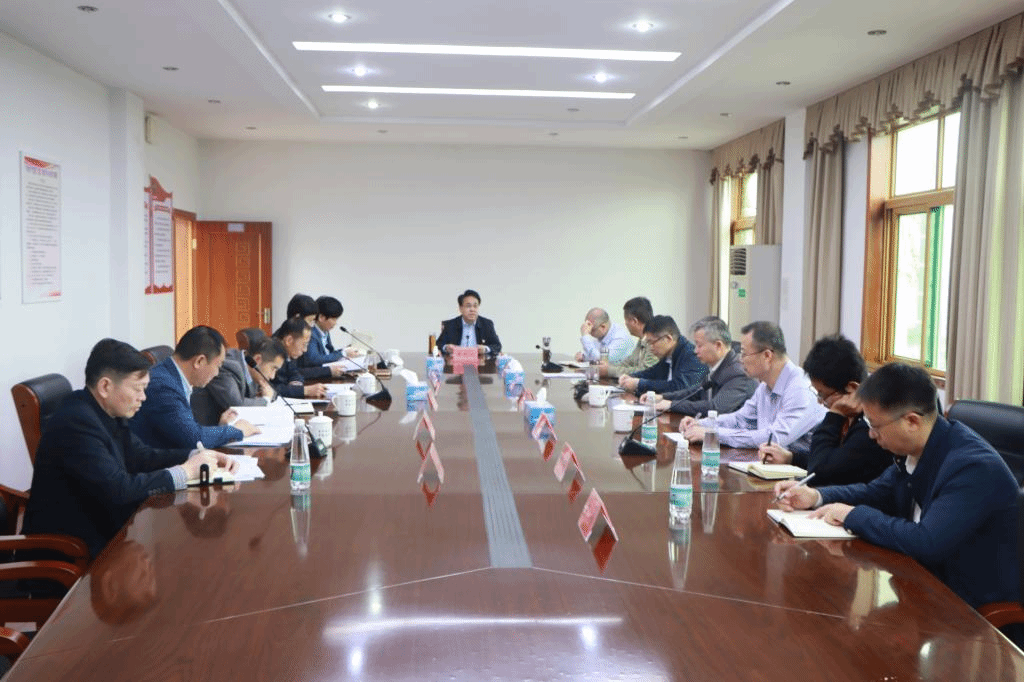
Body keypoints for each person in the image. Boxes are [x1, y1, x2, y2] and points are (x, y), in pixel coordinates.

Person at [775, 362, 1019, 610]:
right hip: (920, 585)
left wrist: (852, 515)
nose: (871, 435)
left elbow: (927, 542)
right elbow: (876, 492)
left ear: (911, 421)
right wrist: (816, 496)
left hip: (968, 607)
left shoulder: (971, 467)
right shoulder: (917, 448)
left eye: (875, 426)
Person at [22, 338, 238, 557]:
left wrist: (195, 455)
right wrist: (184, 472)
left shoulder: (105, 409)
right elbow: (119, 490)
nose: (143, 397)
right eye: (138, 389)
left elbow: (141, 456)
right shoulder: (76, 423)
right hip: (71, 551)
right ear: (105, 386)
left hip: (107, 531)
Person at [758, 334, 893, 485]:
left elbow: (820, 472)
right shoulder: (850, 417)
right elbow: (834, 460)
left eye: (823, 395)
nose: (820, 402)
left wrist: (834, 415)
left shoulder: (869, 428)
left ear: (852, 389)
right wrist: (791, 458)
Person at [680, 321, 825, 454]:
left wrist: (713, 434)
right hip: (769, 465)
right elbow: (740, 419)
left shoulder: (800, 389)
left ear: (767, 355)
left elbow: (773, 438)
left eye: (744, 353)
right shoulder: (765, 387)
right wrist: (701, 423)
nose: (740, 359)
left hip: (801, 470)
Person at [130, 326, 259, 449]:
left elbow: (189, 430)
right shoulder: (163, 386)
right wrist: (236, 430)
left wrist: (221, 428)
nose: (217, 373)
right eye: (218, 366)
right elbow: (194, 439)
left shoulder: (171, 375)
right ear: (199, 361)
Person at [645, 316, 756, 416]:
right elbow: (695, 392)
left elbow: (715, 408)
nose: (695, 351)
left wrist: (671, 404)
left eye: (699, 345)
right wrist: (663, 397)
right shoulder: (718, 367)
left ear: (718, 345)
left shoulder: (739, 373)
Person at [190, 336, 286, 426]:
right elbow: (236, 405)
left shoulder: (252, 371)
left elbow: (266, 393)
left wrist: (266, 396)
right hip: (204, 431)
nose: (272, 376)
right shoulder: (228, 365)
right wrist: (265, 400)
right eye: (273, 368)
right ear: (257, 359)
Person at [618, 315, 706, 395]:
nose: (650, 348)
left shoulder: (692, 356)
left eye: (652, 342)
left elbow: (680, 387)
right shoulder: (669, 354)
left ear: (668, 339)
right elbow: (652, 373)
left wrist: (638, 383)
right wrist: (631, 377)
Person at [270, 317, 331, 399]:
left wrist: (296, 383)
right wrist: (304, 390)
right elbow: (268, 388)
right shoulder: (270, 355)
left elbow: (295, 372)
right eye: (304, 344)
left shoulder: (289, 352)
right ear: (289, 340)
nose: (305, 350)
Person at [602, 296, 658, 378]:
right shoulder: (642, 339)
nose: (625, 324)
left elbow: (644, 372)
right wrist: (606, 367)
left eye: (626, 320)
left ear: (634, 321)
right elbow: (629, 362)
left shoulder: (655, 342)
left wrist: (609, 371)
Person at [299, 295, 362, 368]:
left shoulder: (325, 332)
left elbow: (329, 354)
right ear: (321, 317)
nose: (335, 323)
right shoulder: (310, 333)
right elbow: (314, 359)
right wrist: (343, 353)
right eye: (334, 319)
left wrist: (345, 350)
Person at [437, 289, 502, 355]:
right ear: (461, 308)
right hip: (456, 360)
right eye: (468, 306)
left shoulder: (487, 324)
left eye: (475, 306)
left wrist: (485, 349)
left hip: (480, 361)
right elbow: (438, 344)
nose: (472, 309)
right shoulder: (450, 325)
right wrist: (446, 348)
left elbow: (497, 346)